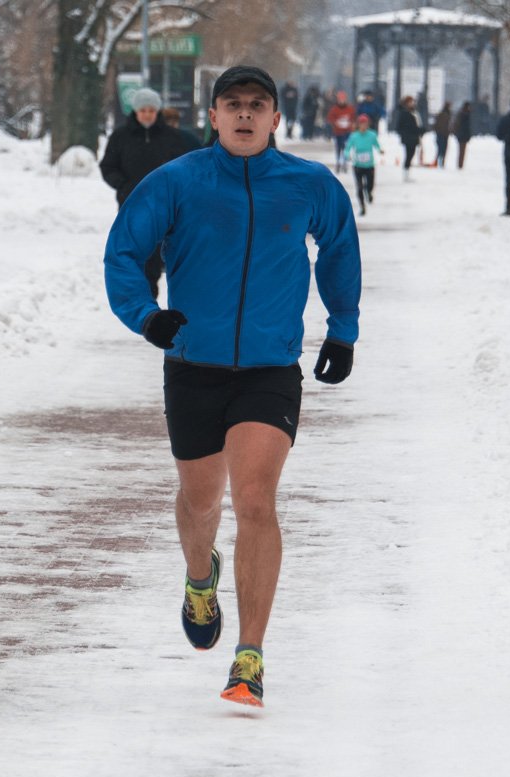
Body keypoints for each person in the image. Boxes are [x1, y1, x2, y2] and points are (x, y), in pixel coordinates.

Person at [103, 65, 362, 708]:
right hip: (194, 365)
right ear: (213, 116)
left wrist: (342, 328)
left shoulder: (309, 184)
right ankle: (199, 576)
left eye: (257, 105)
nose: (245, 115)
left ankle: (250, 658)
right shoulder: (177, 181)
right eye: (232, 105)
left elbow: (338, 250)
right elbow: (122, 254)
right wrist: (147, 314)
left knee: (254, 501)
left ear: (277, 118)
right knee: (199, 502)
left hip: (270, 370)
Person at [99, 87, 194, 298]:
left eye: (151, 110)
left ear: (157, 111)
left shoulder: (172, 137)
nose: (147, 114)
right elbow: (108, 166)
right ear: (135, 111)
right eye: (143, 110)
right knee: (136, 252)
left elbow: (186, 167)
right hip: (131, 204)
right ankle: (143, 299)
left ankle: (154, 295)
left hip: (164, 205)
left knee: (157, 254)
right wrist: (123, 185)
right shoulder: (120, 136)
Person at [345, 113, 382, 215]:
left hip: (369, 165)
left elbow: (377, 145)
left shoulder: (372, 135)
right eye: (361, 124)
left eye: (365, 124)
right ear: (358, 125)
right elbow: (348, 148)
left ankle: (369, 193)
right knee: (360, 187)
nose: (363, 126)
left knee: (370, 185)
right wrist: (347, 155)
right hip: (358, 165)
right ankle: (362, 207)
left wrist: (380, 150)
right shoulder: (354, 136)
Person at [326, 90, 356, 172]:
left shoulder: (350, 108)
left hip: (347, 132)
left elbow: (353, 118)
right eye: (340, 99)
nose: (342, 101)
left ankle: (344, 163)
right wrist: (335, 123)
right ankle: (338, 162)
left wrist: (351, 124)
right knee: (338, 148)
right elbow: (330, 118)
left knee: (346, 148)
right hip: (338, 132)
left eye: (343, 99)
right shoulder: (334, 109)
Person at [394, 95, 422, 181]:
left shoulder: (414, 112)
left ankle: (407, 173)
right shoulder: (404, 113)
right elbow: (401, 127)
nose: (412, 103)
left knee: (411, 155)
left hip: (414, 137)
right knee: (409, 155)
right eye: (410, 102)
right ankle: (405, 174)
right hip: (408, 138)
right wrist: (411, 131)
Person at [432, 101, 452, 167]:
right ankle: (439, 163)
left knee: (441, 149)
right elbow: (440, 125)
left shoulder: (444, 114)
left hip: (442, 134)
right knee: (441, 149)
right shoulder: (445, 114)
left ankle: (440, 163)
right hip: (442, 134)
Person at [454, 101, 473, 169]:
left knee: (461, 151)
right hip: (463, 135)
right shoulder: (465, 115)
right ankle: (460, 164)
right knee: (462, 151)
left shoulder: (462, 114)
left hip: (462, 135)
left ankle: (460, 164)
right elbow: (465, 127)